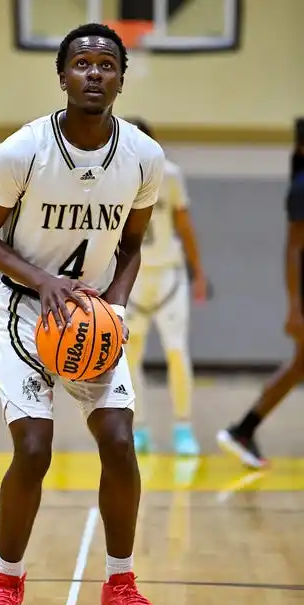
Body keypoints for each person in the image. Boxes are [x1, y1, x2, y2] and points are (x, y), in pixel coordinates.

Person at [0, 23, 165, 605]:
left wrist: (118, 309)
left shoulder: (143, 157)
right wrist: (42, 279)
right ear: (63, 76)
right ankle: (5, 584)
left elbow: (131, 246)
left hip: (93, 316)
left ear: (122, 79)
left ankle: (121, 586)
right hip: (26, 311)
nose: (94, 73)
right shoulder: (22, 151)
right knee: (33, 449)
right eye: (82, 64)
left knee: (121, 443)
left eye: (107, 64)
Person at [217, 118, 304, 469]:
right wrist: (295, 307)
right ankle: (242, 430)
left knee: (299, 365)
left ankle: (243, 430)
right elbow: (293, 250)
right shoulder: (301, 188)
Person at [124, 118, 208, 456]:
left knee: (176, 351)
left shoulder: (170, 175)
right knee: (130, 356)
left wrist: (198, 272)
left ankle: (183, 426)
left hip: (168, 275)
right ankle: (139, 428)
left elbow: (185, 226)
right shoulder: (113, 176)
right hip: (131, 276)